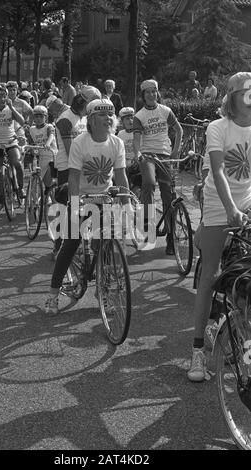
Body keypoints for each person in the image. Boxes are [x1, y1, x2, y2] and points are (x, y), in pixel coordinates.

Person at [187, 72, 251, 382]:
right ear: (233, 97)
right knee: (210, 275)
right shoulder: (218, 128)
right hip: (218, 206)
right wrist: (230, 210)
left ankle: (239, 328)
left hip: (248, 203)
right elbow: (219, 170)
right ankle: (197, 351)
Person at [44, 98, 130, 315]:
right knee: (71, 243)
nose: (108, 118)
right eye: (102, 114)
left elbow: (120, 175)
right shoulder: (81, 142)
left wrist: (127, 204)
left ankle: (105, 290)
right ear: (90, 120)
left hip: (105, 196)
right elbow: (73, 178)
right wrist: (74, 205)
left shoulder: (117, 143)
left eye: (111, 114)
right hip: (81, 195)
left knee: (109, 244)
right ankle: (53, 295)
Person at [133, 78, 183, 255]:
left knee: (169, 196)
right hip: (147, 155)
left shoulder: (166, 110)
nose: (152, 94)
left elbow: (178, 130)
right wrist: (138, 153)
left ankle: (171, 238)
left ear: (157, 93)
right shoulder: (139, 116)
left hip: (165, 154)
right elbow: (137, 140)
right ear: (143, 95)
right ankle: (148, 221)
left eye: (154, 91)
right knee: (148, 182)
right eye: (148, 92)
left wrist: (176, 151)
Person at [0, 86, 26, 213]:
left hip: (11, 141)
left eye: (4, 95)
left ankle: (20, 188)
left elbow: (22, 121)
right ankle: (0, 201)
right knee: (0, 173)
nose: (2, 98)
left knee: (17, 164)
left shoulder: (10, 110)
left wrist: (12, 108)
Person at [28, 105, 57, 190]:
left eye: (41, 116)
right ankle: (48, 197)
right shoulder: (32, 129)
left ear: (46, 117)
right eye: (36, 116)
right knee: (44, 181)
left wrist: (47, 143)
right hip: (41, 158)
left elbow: (51, 135)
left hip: (52, 156)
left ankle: (58, 185)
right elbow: (32, 142)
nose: (38, 118)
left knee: (48, 182)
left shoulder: (49, 127)